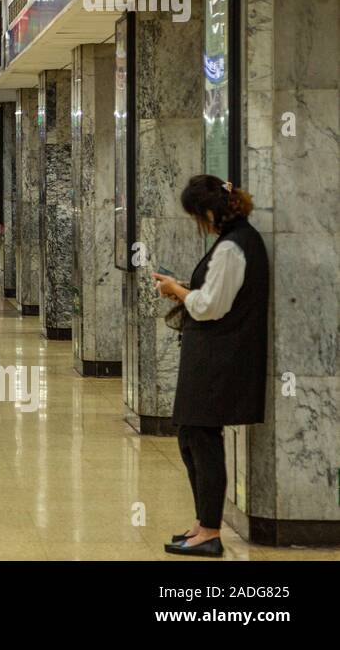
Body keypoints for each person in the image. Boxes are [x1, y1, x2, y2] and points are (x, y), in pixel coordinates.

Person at [151, 176, 267, 558]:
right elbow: (216, 294)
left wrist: (178, 291)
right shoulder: (234, 241)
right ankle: (203, 524)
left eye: (197, 215)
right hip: (212, 354)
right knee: (190, 437)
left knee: (202, 440)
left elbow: (209, 306)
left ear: (210, 211)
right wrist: (183, 286)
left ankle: (211, 531)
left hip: (220, 358)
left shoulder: (234, 247)